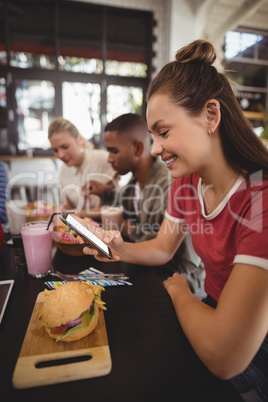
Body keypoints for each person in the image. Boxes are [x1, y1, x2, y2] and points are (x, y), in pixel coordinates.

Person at [79, 40, 268, 401]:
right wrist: (120, 249)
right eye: (152, 136)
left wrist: (181, 292)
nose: (154, 149)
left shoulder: (260, 199)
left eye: (163, 132)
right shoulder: (186, 182)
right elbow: (164, 248)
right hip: (210, 313)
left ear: (211, 115)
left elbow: (226, 356)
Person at [100, 113, 204, 291]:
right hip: (148, 270)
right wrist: (105, 191)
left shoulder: (172, 184)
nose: (109, 158)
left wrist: (124, 226)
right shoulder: (132, 186)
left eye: (114, 150)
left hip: (180, 279)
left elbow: (172, 252)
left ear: (138, 149)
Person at [48, 117, 117, 213]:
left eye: (65, 147)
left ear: (80, 139)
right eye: (55, 150)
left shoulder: (105, 160)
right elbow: (70, 207)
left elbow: (114, 207)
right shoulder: (63, 171)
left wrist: (78, 214)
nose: (60, 155)